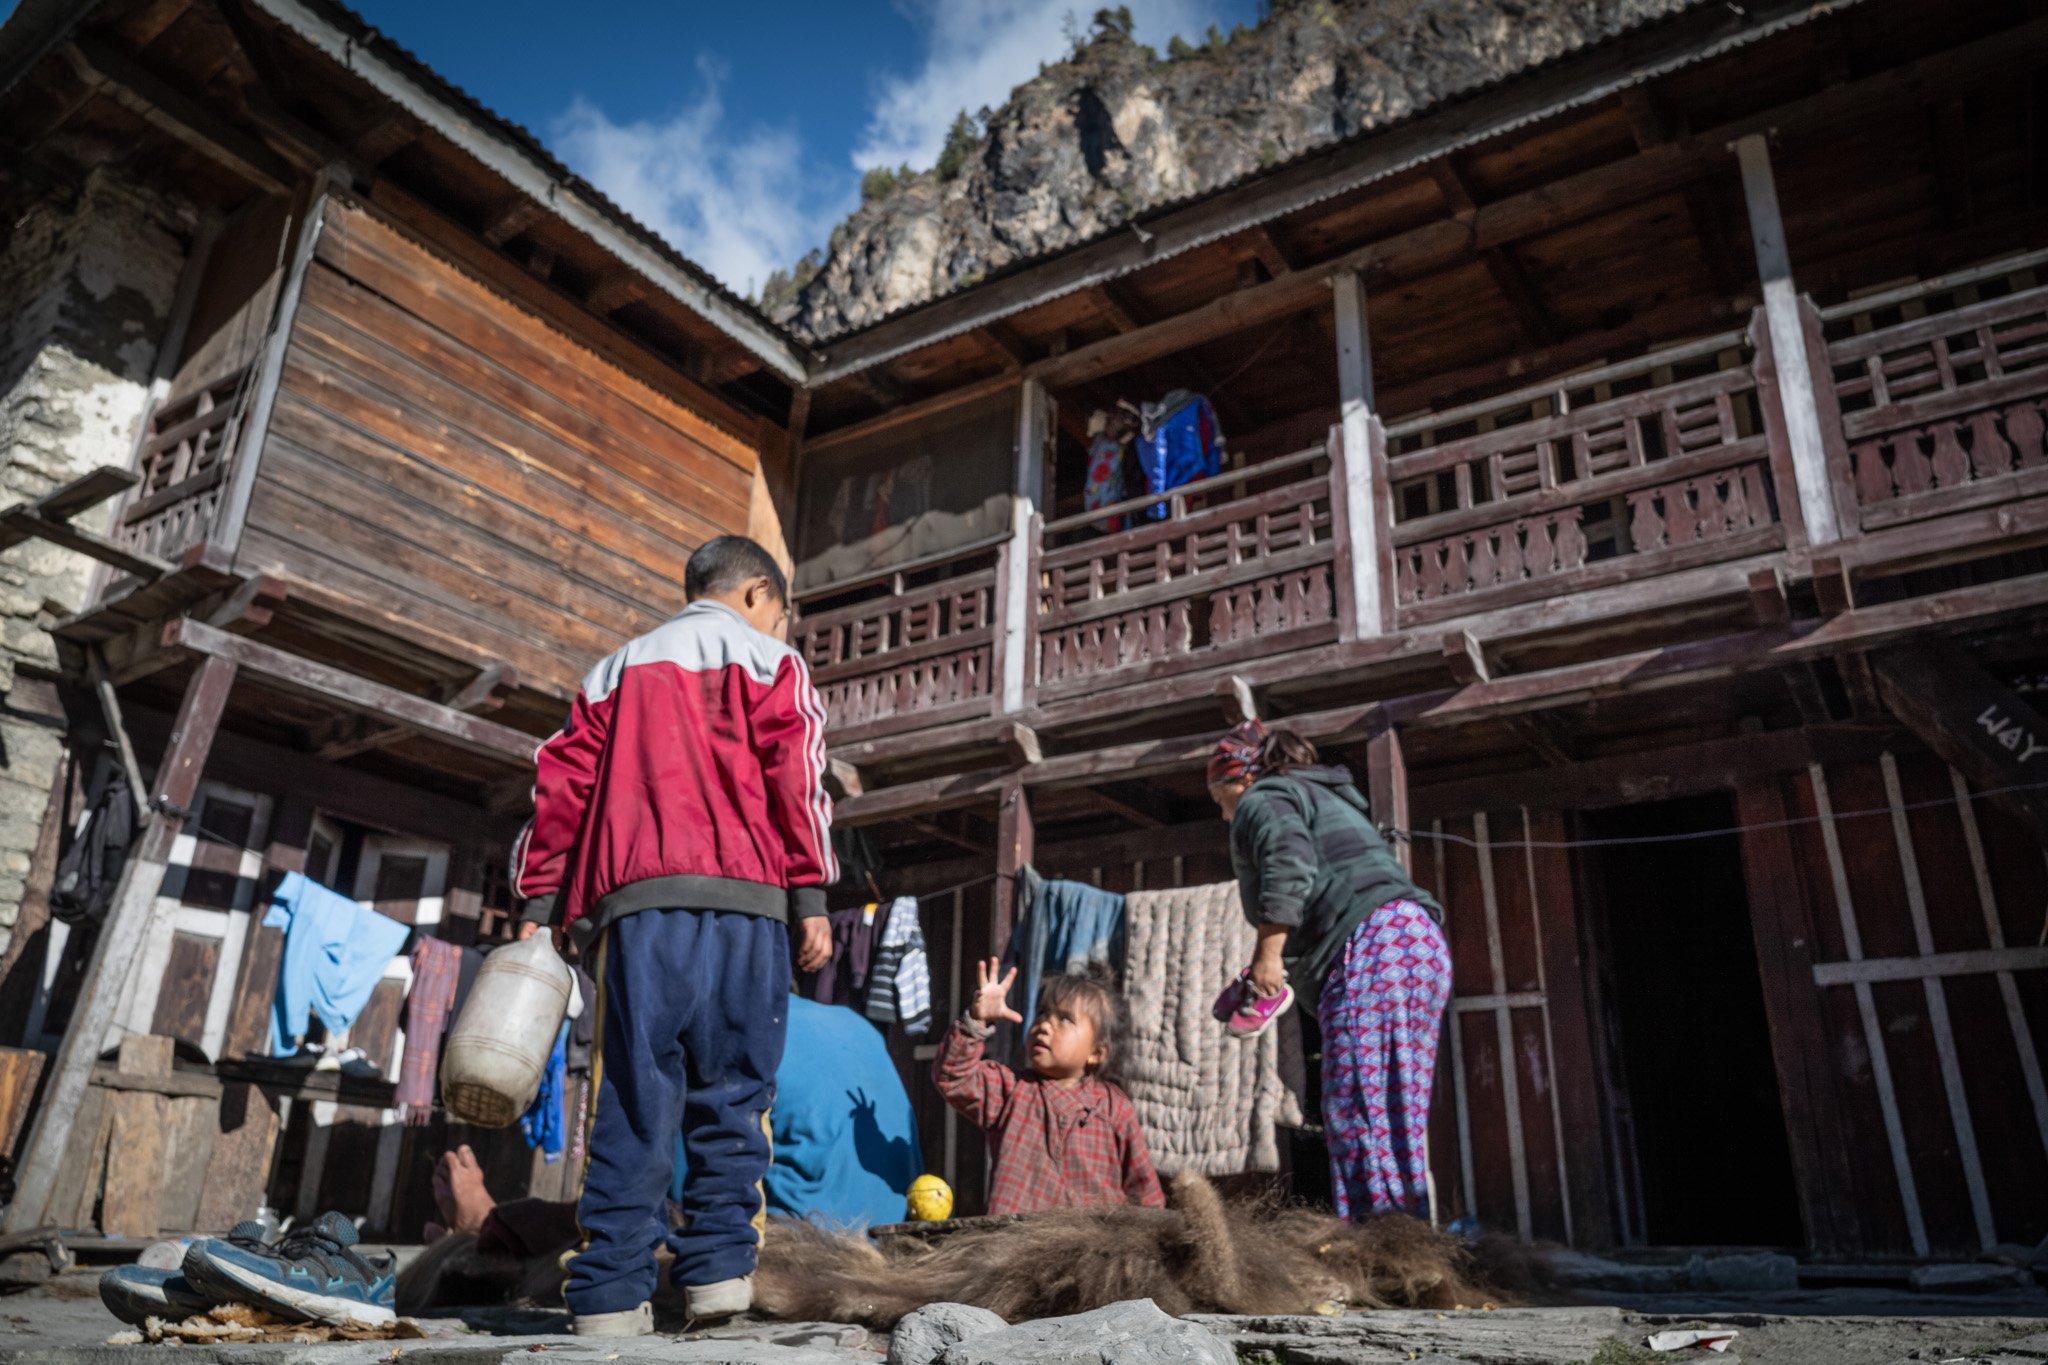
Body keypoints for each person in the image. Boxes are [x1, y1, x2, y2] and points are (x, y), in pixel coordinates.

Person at [515, 535, 837, 1338]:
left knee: (632, 1092)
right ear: (760, 594)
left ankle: (609, 1296)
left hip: (637, 910)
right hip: (749, 905)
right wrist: (812, 896)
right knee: (734, 1093)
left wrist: (544, 898)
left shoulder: (615, 668)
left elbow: (560, 787)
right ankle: (721, 1277)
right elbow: (797, 779)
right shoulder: (773, 665)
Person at [1207, 720, 1450, 1223]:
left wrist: (1268, 957)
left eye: (1219, 794)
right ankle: (1409, 1243)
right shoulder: (1317, 796)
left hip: (1373, 945)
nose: (1221, 809)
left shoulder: (1263, 798)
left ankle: (1379, 1246)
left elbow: (1288, 861)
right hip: (1416, 940)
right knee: (1392, 1108)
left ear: (1239, 779)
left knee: (1356, 1106)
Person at [933, 958, 1164, 1216]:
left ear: (1097, 1053)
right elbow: (953, 1076)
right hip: (1015, 1248)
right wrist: (976, 1021)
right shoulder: (1011, 1090)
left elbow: (1146, 1195)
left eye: (1065, 1019)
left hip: (1095, 1251)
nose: (1044, 1025)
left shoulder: (1114, 1108)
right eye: (1042, 1013)